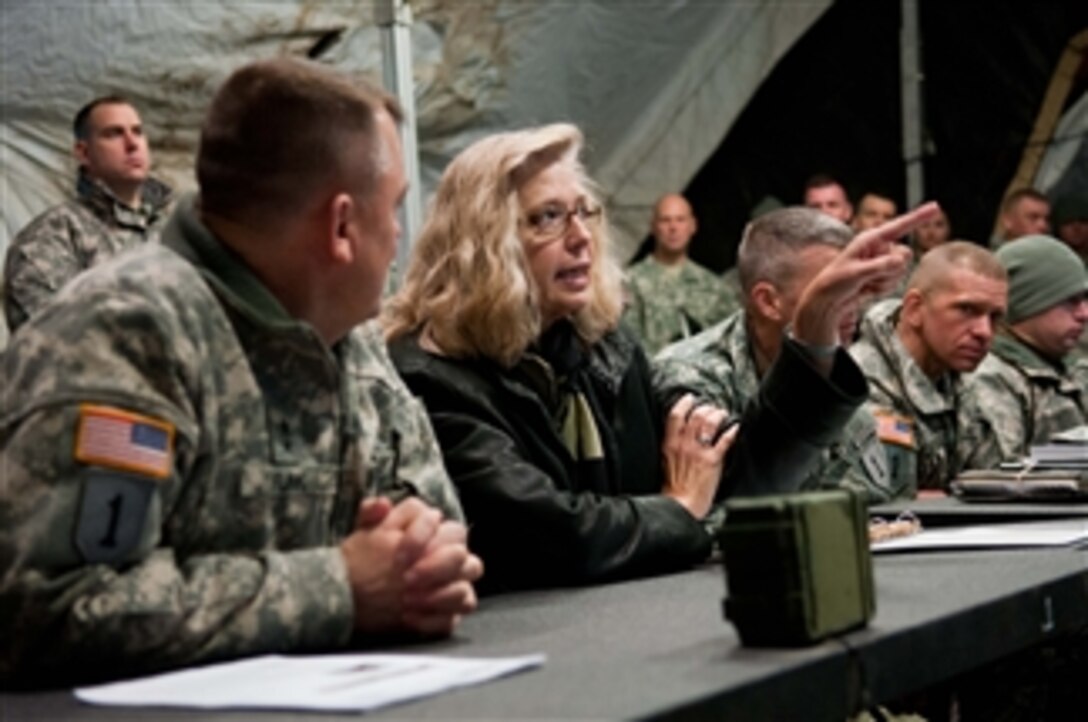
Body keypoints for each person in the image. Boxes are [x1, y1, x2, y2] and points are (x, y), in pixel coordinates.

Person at [0, 58, 481, 689]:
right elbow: (50, 607)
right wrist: (338, 587)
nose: (397, 236)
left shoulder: (349, 336)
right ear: (341, 226)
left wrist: (423, 564)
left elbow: (435, 530)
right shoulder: (125, 334)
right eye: (392, 209)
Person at [384, 123, 927, 592]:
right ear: (485, 240)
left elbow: (738, 475)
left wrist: (813, 331)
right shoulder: (432, 374)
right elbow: (550, 535)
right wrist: (678, 509)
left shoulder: (604, 349)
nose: (580, 238)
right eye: (547, 218)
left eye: (584, 213)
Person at [654, 206, 920, 503]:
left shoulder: (840, 374)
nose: (852, 306)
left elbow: (874, 506)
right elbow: (728, 509)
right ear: (769, 301)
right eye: (831, 290)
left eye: (854, 288)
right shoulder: (690, 379)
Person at [3, 95, 173, 332]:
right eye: (113, 133)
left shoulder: (178, 227)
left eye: (137, 131)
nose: (132, 143)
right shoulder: (52, 236)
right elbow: (49, 343)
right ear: (83, 153)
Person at [850, 242, 1006, 491]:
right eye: (966, 309)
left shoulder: (962, 381)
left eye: (995, 317)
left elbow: (991, 485)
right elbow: (880, 505)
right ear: (914, 309)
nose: (984, 332)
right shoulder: (857, 383)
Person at [967, 235, 1088, 459]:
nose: (1084, 314)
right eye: (1070, 301)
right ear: (1026, 304)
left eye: (1085, 299)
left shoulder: (1066, 368)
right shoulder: (990, 377)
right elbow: (1002, 481)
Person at [622, 193, 735, 354]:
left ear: (693, 226)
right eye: (665, 220)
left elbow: (734, 341)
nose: (673, 228)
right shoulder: (631, 282)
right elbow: (627, 345)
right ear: (653, 227)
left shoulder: (713, 287)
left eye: (680, 220)